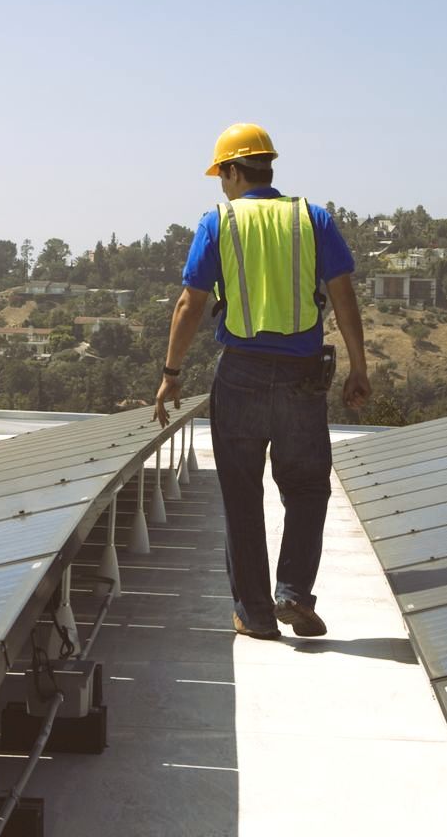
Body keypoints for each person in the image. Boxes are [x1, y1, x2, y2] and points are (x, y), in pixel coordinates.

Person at [154, 123, 370, 640]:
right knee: (307, 488)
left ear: (232, 170)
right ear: (267, 166)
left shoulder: (219, 223)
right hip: (302, 376)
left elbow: (190, 303)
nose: (221, 185)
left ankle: (254, 614)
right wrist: (361, 369)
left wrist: (170, 374)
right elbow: (344, 298)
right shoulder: (312, 218)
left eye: (220, 175)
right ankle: (293, 594)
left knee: (242, 493)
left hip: (242, 374)